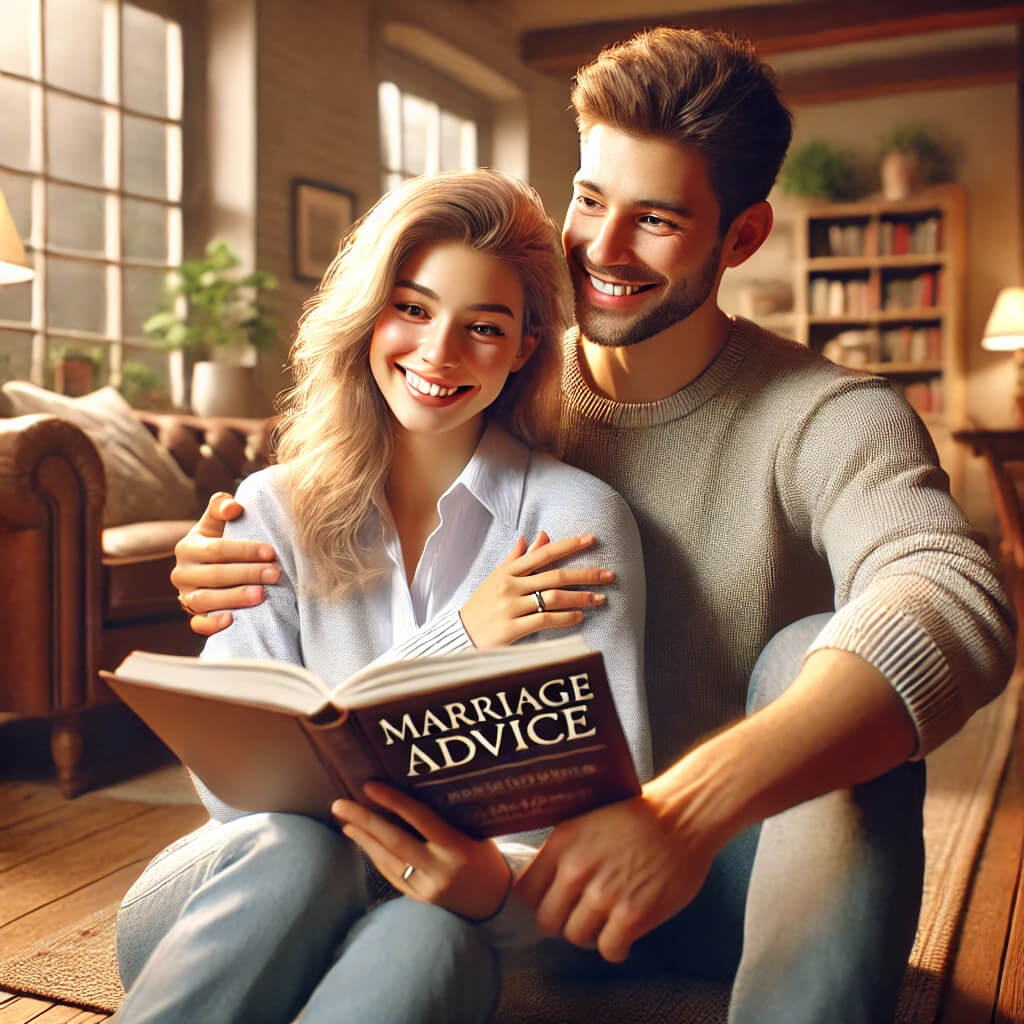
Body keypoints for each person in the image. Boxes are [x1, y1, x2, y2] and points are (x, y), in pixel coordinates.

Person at [170, 27, 1015, 1024]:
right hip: (495, 883)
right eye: (588, 200)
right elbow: (332, 498)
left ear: (741, 237)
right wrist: (229, 559)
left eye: (654, 219)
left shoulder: (828, 415)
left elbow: (954, 593)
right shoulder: (479, 374)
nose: (602, 250)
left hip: (719, 878)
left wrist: (680, 810)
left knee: (812, 654)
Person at [116, 168, 653, 1024]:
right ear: (370, 314)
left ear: (523, 349)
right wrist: (460, 638)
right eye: (412, 307)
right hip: (242, 904)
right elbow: (239, 802)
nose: (439, 353)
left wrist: (488, 886)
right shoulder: (266, 511)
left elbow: (598, 821)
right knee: (299, 853)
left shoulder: (573, 523)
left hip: (471, 922)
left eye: (484, 326)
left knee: (430, 936)